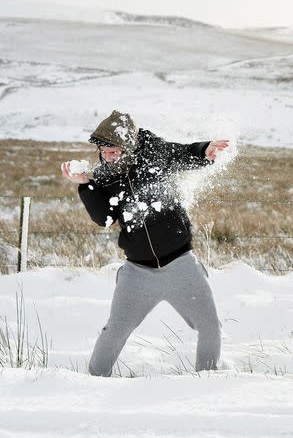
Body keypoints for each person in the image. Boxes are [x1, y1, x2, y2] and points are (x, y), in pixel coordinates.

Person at [61, 110, 229, 376]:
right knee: (114, 331)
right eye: (104, 151)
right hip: (137, 273)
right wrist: (85, 185)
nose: (108, 157)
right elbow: (104, 218)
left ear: (128, 146)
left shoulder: (155, 152)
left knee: (210, 326)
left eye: (114, 151)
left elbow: (183, 154)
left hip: (181, 265)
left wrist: (204, 151)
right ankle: (92, 383)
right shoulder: (105, 175)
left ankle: (207, 380)